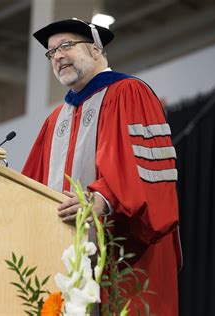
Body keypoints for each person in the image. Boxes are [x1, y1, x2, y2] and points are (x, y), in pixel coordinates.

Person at [22, 18, 182, 315]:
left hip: (124, 257)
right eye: (51, 52)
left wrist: (102, 199)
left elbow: (146, 173)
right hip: (63, 263)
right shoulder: (55, 120)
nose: (57, 56)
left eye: (66, 45)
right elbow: (30, 186)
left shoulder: (129, 92)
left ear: (96, 49)